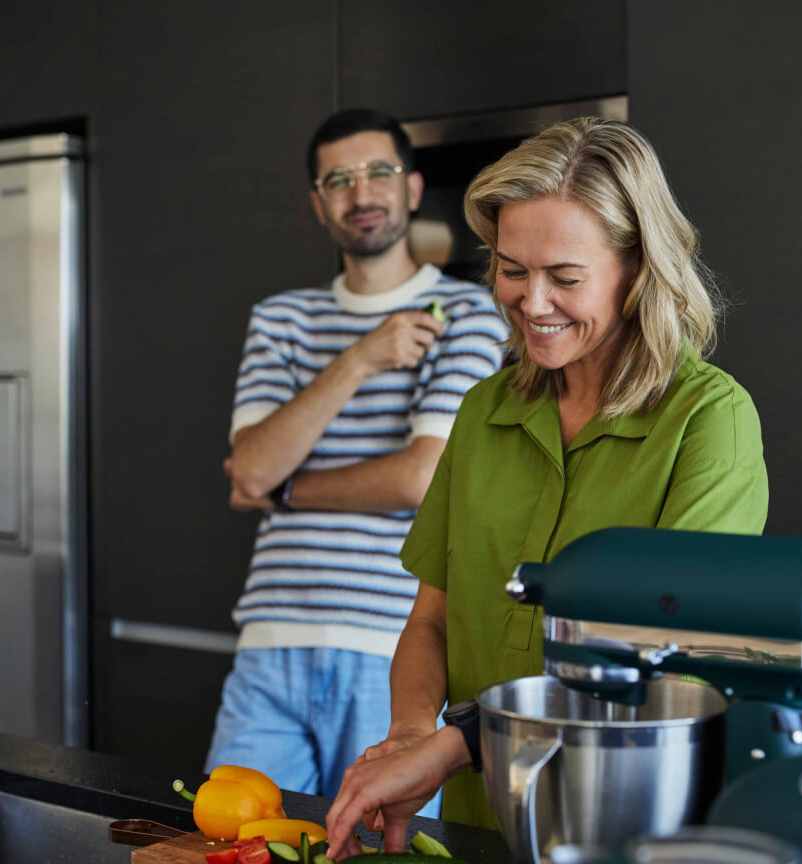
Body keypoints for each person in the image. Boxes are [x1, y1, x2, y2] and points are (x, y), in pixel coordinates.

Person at [324, 118, 769, 855]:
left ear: (639, 269)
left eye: (565, 278)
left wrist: (454, 746)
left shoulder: (709, 419)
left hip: (623, 825)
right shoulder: (484, 411)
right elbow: (432, 620)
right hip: (473, 823)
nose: (532, 303)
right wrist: (409, 736)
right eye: (512, 270)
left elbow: (667, 664)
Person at [209, 108, 510, 805]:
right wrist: (361, 358)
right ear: (319, 203)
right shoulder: (280, 318)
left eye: (379, 172)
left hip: (391, 649)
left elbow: (420, 478)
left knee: (378, 846)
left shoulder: (469, 312)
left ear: (412, 187)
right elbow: (250, 467)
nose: (361, 193)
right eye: (338, 180)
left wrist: (285, 490)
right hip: (270, 640)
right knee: (228, 839)